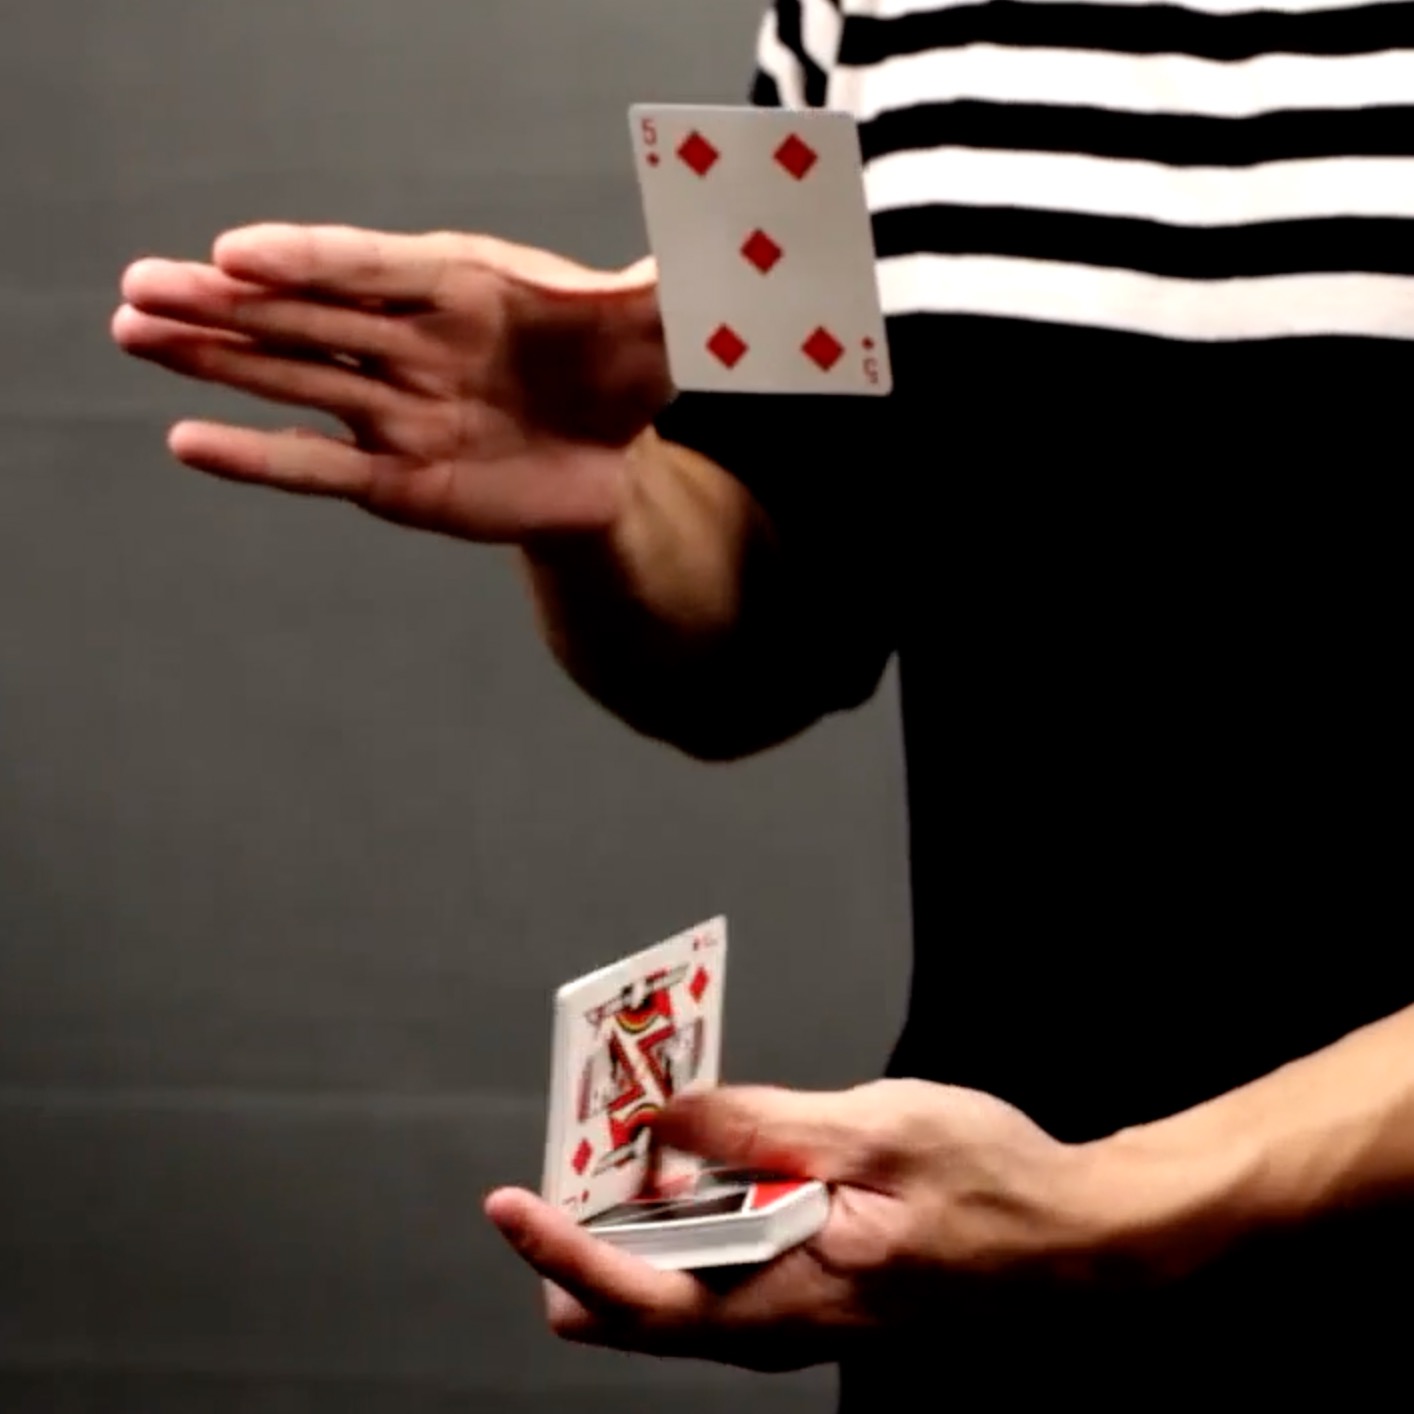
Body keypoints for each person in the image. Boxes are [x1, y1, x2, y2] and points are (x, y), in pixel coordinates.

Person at [112, 0, 1411, 1404]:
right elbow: (765, 635)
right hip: (973, 1274)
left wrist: (1110, 1207)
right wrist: (608, 494)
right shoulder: (854, 13)